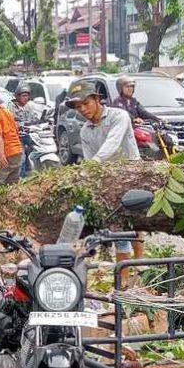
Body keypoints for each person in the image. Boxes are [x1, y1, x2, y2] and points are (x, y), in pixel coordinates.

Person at [65, 81, 140, 283]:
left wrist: (93, 165)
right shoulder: (85, 131)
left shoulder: (119, 116)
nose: (83, 110)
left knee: (133, 224)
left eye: (86, 103)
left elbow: (112, 144)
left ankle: (136, 270)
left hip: (131, 175)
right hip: (108, 182)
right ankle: (125, 277)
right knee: (119, 228)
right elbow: (90, 161)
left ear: (97, 99)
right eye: (78, 107)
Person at [0, 91, 23, 185]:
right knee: (12, 183)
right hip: (17, 151)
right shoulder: (7, 112)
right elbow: (15, 130)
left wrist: (1, 155)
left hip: (8, 152)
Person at [7, 84, 42, 176]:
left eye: (27, 96)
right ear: (17, 96)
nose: (26, 98)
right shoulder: (10, 107)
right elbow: (10, 122)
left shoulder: (28, 106)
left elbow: (34, 119)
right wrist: (19, 125)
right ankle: (20, 178)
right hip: (17, 137)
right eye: (23, 96)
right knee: (21, 158)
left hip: (29, 135)